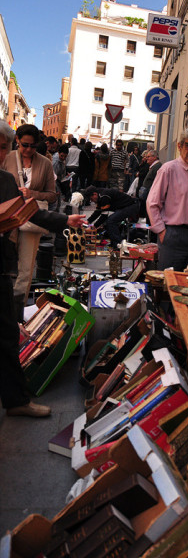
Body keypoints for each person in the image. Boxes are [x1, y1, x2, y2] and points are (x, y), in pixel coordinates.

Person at [0, 119, 87, 417]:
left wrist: (66, 220)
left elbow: (30, 212)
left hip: (1, 267)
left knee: (7, 334)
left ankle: (16, 401)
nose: (0, 154)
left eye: (3, 148)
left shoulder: (6, 181)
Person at [3, 124, 57, 318]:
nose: (28, 149)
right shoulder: (6, 158)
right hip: (7, 220)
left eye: (33, 146)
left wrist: (32, 193)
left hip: (31, 220)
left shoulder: (45, 163)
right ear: (17, 140)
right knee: (6, 267)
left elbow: (52, 195)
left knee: (26, 270)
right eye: (25, 145)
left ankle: (16, 315)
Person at [146, 128, 188, 271]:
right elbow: (152, 203)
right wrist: (162, 232)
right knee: (169, 281)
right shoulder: (168, 169)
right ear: (179, 146)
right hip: (174, 236)